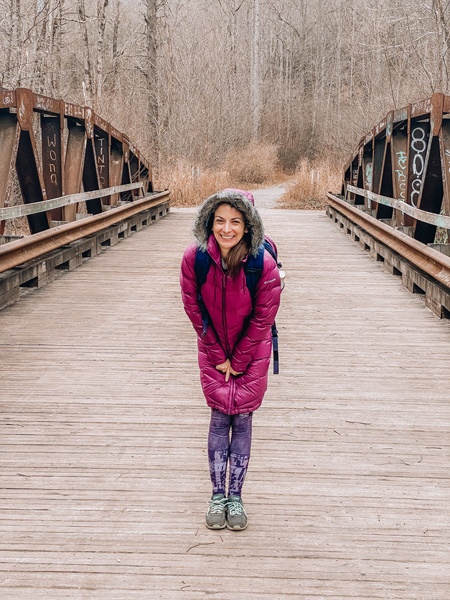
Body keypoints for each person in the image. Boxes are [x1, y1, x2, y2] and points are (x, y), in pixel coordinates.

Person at [180, 188, 281, 531]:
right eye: (220, 220)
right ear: (209, 223)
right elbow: (193, 308)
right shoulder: (195, 259)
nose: (227, 229)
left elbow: (263, 318)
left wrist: (237, 360)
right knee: (219, 417)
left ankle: (235, 496)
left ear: (248, 226)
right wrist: (215, 352)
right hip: (213, 348)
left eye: (236, 222)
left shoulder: (261, 264)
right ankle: (216, 496)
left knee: (244, 418)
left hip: (252, 351)